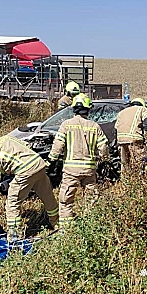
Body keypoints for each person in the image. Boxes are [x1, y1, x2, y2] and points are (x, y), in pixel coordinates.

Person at [0, 133, 59, 241]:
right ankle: (57, 223)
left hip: (26, 171)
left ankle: (15, 238)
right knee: (47, 197)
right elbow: (27, 145)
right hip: (39, 164)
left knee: (12, 204)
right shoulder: (4, 138)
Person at [47, 94, 109, 229]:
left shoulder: (66, 125)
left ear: (74, 108)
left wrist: (50, 161)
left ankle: (66, 230)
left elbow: (58, 146)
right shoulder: (94, 126)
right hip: (89, 170)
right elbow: (103, 147)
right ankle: (90, 226)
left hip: (70, 170)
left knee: (66, 200)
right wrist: (102, 159)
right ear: (88, 109)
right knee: (91, 198)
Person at [114, 97, 147, 175]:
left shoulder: (122, 112)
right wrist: (146, 136)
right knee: (137, 163)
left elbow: (116, 127)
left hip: (121, 140)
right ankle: (137, 181)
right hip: (135, 139)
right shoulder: (143, 109)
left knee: (125, 164)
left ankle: (125, 183)